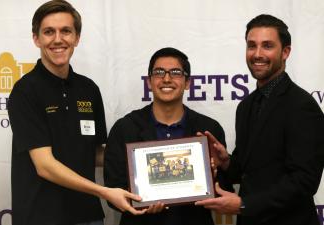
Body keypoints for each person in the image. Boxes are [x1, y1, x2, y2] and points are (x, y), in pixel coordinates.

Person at [7, 1, 144, 225]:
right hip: (41, 216)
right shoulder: (25, 91)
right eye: (49, 32)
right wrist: (104, 191)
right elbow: (45, 166)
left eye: (66, 31)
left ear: (77, 38)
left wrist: (146, 160)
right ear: (36, 39)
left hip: (87, 215)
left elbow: (97, 154)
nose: (58, 39)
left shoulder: (88, 89)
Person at [195, 14, 324, 225]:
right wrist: (227, 162)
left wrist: (244, 204)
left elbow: (304, 182)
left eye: (267, 46)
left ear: (285, 52)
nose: (257, 54)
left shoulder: (301, 106)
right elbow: (251, 170)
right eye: (251, 46)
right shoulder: (246, 106)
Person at [104, 47, 230, 225]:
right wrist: (140, 202)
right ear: (149, 81)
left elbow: (224, 190)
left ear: (187, 83)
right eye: (159, 72)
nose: (167, 79)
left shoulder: (209, 129)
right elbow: (112, 190)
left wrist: (216, 174)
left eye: (176, 72)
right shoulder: (125, 128)